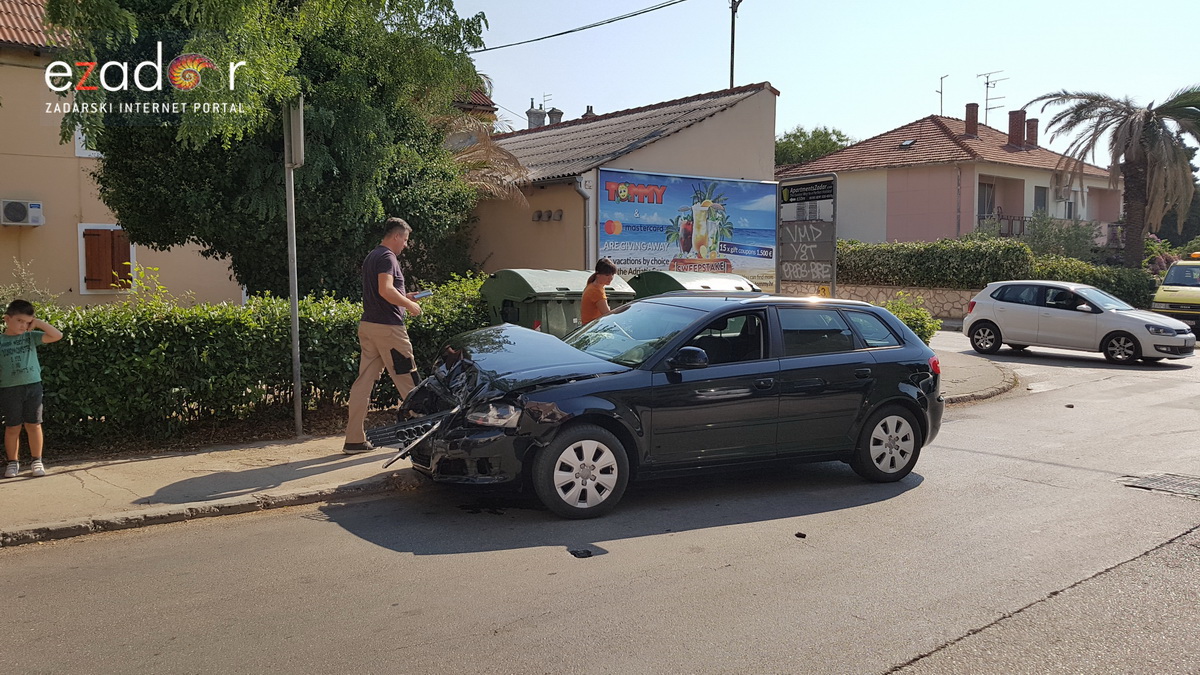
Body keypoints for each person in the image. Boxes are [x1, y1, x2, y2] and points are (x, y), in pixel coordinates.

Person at [343, 218, 426, 454]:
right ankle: (426, 436)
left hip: (369, 326)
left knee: (363, 382)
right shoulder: (388, 257)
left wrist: (405, 297)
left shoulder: (372, 256)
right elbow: (385, 290)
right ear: (396, 236)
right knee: (409, 380)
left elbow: (384, 293)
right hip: (389, 330)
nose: (406, 245)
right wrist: (410, 306)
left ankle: (354, 440)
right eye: (405, 240)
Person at [2, 299, 63, 478]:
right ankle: (12, 463)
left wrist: (38, 323)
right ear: (7, 319)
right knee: (12, 427)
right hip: (9, 389)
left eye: (27, 322)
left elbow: (57, 335)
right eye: (19, 320)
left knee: (34, 424)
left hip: (33, 386)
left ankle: (37, 460)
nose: (23, 325)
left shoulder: (30, 337)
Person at [580, 258, 618, 325]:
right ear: (598, 274)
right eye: (607, 275)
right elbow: (607, 315)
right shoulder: (596, 291)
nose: (611, 278)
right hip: (593, 328)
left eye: (612, 274)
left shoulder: (592, 286)